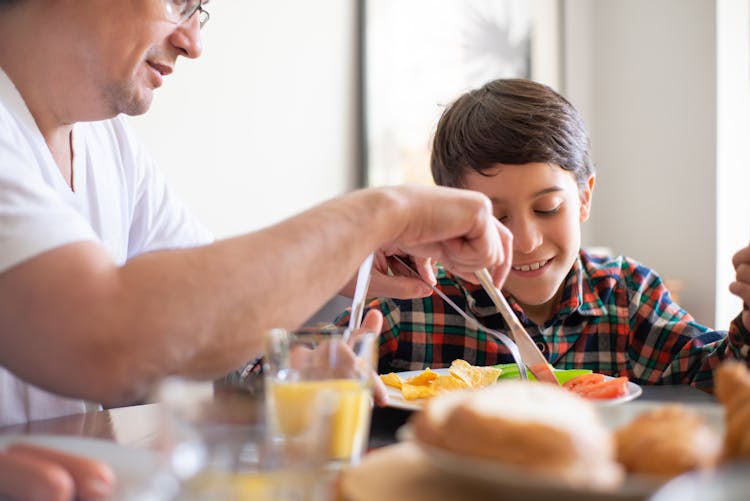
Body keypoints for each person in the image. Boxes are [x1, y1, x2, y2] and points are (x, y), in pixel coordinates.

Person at [0, 2, 514, 426]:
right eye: (177, 2)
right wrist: (383, 212)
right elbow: (107, 336)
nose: (192, 42)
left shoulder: (108, 143)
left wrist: (339, 266)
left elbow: (203, 308)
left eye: (199, 12)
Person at [336, 78, 750, 392]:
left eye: (547, 208)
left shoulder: (627, 297)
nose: (528, 241)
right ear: (451, 214)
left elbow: (717, 379)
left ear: (584, 198)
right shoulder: (412, 303)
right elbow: (281, 376)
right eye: (495, 218)